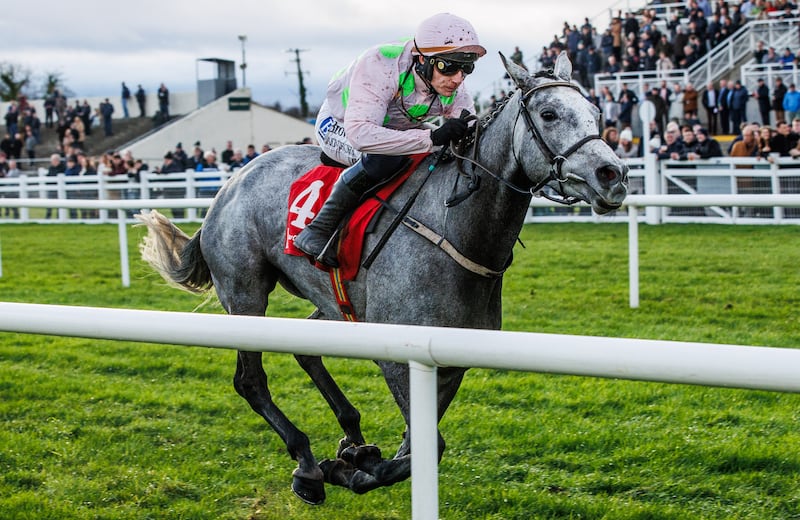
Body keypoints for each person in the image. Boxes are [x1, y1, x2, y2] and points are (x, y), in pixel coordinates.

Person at [296, 13, 485, 267]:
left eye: (467, 67)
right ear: (422, 60)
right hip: (342, 126)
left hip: (397, 126)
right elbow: (361, 134)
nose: (458, 78)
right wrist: (431, 137)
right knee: (386, 159)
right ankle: (317, 230)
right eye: (448, 67)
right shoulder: (380, 63)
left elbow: (471, 129)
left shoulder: (453, 81)